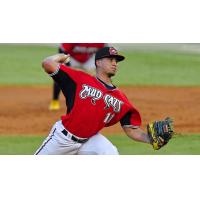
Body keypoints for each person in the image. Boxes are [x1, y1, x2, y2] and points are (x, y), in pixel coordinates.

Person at [35, 46, 173, 155]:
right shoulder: (79, 79)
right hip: (62, 139)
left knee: (110, 153)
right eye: (110, 60)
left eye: (116, 61)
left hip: (89, 140)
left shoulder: (120, 98)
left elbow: (131, 130)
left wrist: (149, 139)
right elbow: (47, 63)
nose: (115, 64)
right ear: (98, 62)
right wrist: (61, 56)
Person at [49, 43, 106, 110]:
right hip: (71, 58)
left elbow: (105, 53)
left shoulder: (101, 43)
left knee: (97, 78)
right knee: (60, 76)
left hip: (89, 59)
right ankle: (55, 100)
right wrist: (68, 65)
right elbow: (62, 50)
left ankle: (98, 101)